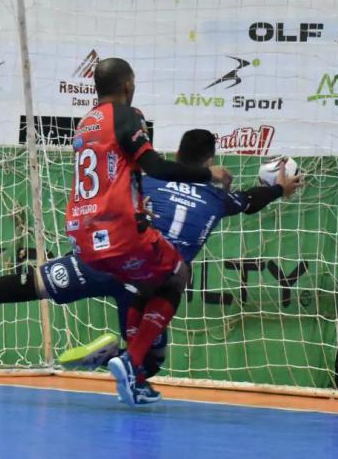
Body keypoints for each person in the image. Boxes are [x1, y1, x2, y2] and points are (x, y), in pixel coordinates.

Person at [0, 128, 302, 404]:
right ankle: (126, 361)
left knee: (23, 285)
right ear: (211, 159)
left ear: (177, 155)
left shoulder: (149, 176)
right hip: (148, 276)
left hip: (105, 258)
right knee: (161, 328)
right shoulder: (218, 199)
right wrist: (278, 188)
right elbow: (250, 200)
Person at [64, 58, 236, 406]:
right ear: (128, 84)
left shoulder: (85, 123)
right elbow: (154, 165)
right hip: (118, 229)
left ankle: (132, 368)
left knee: (143, 279)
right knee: (177, 272)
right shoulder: (127, 116)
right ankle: (128, 358)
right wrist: (210, 175)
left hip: (81, 234)